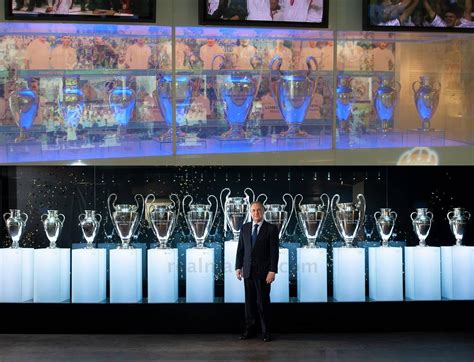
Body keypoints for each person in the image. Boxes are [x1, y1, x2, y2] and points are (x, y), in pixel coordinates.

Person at [235, 201, 279, 343]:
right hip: (247, 272)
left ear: (263, 211)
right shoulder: (245, 228)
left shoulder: (271, 229)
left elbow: (274, 252)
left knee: (263, 303)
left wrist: (272, 271)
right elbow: (240, 249)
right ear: (250, 212)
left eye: (258, 210)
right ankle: (250, 330)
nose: (256, 213)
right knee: (249, 304)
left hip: (263, 273)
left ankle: (266, 332)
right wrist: (238, 267)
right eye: (253, 210)